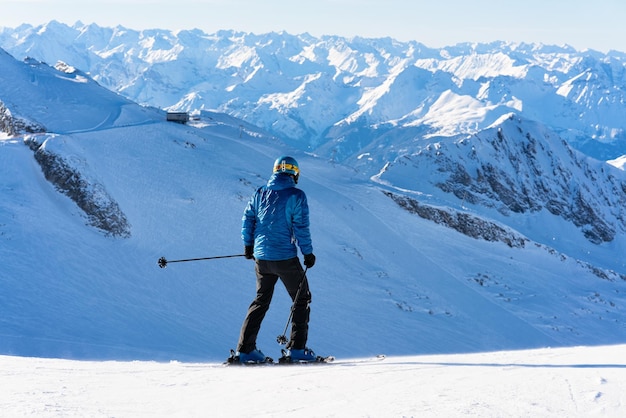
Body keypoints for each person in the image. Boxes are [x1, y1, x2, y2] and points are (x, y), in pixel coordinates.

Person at [235, 155, 317, 363]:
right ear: (295, 174)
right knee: (301, 298)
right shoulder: (296, 195)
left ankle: (245, 351)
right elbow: (300, 227)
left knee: (261, 300)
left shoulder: (260, 192)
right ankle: (297, 349)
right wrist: (307, 253)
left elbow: (248, 218)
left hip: (261, 259)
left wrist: (248, 245)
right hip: (285, 258)